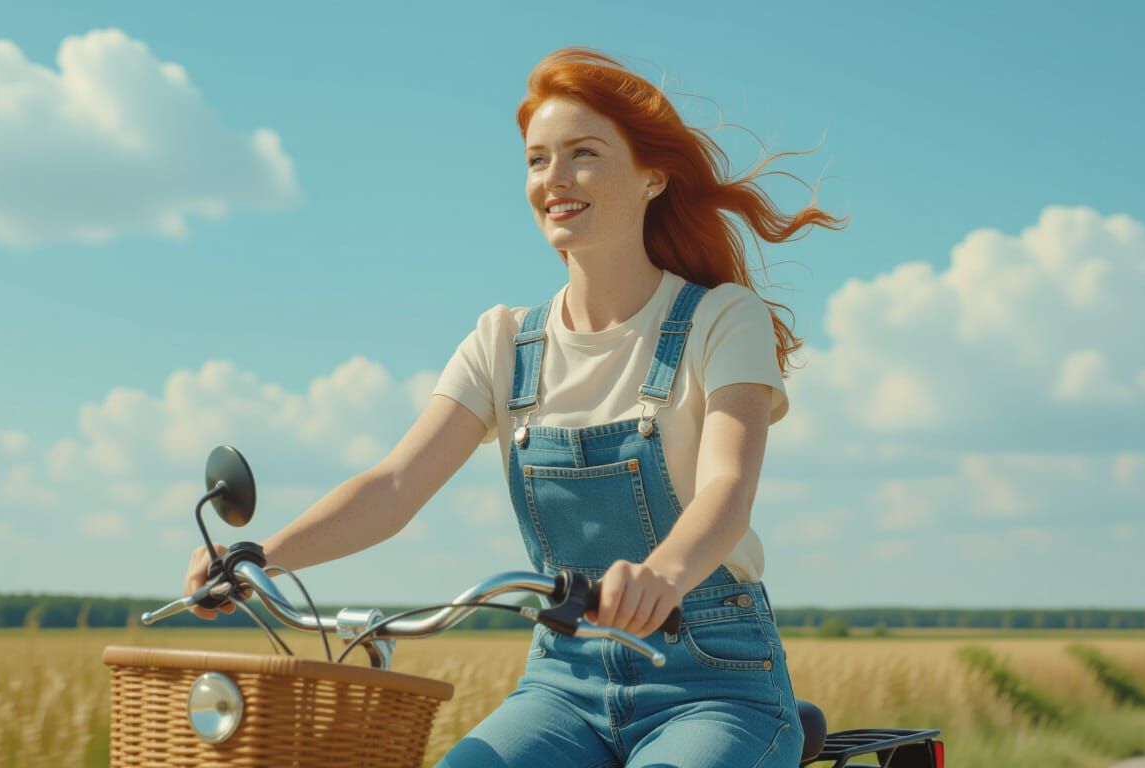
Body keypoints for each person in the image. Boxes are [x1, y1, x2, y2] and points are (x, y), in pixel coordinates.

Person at [184, 47, 844, 767]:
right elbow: (395, 484)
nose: (553, 179)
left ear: (652, 176)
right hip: (564, 686)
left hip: (712, 682)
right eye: (537, 160)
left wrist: (661, 575)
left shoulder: (722, 318)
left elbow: (727, 489)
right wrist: (259, 556)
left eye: (583, 154)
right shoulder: (503, 342)